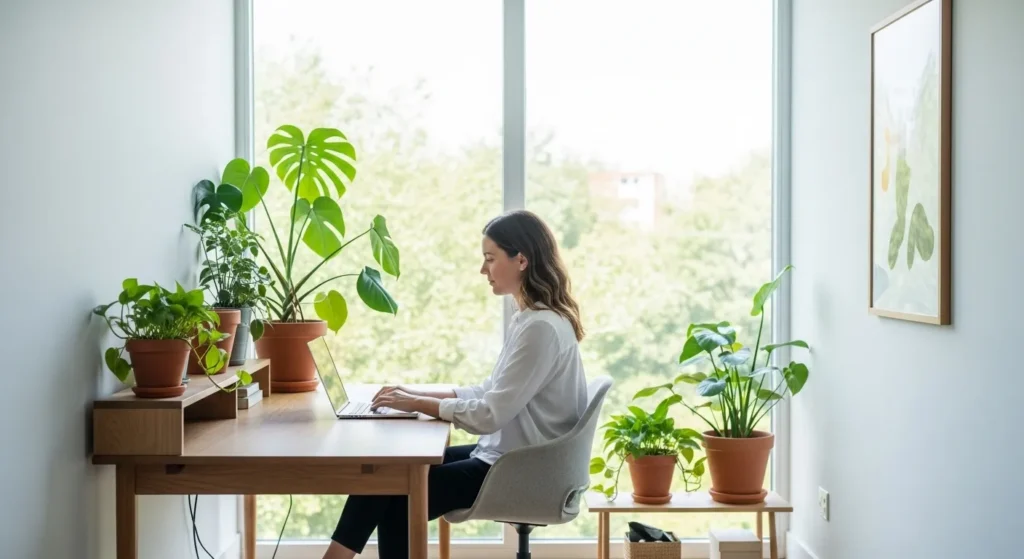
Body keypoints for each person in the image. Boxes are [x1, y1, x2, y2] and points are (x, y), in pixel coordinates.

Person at [322, 209, 590, 559]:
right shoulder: (532, 319)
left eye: (490, 259)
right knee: (387, 474)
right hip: (511, 457)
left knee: (396, 495)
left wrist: (418, 404)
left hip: (522, 470)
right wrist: (412, 393)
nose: (483, 270)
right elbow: (488, 392)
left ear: (521, 260)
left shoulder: (540, 328)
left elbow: (488, 415)